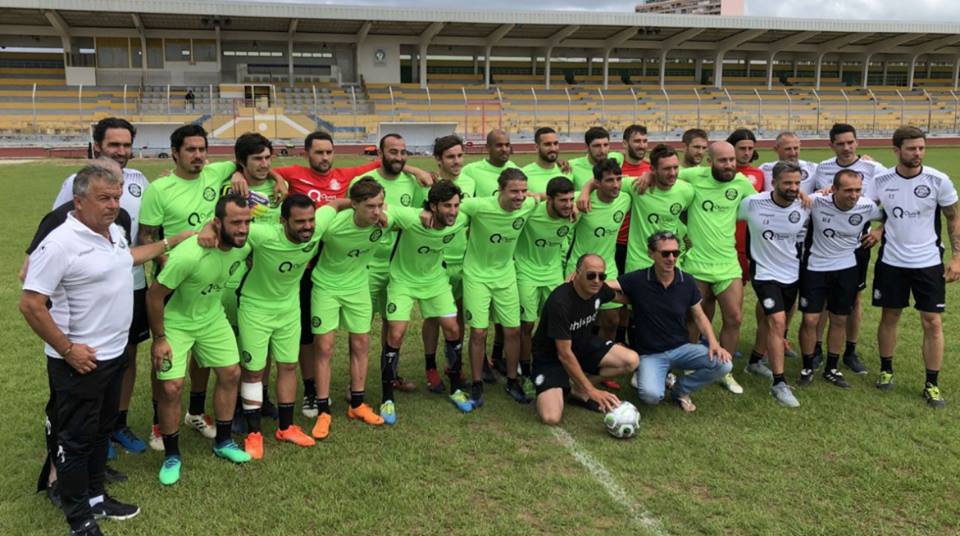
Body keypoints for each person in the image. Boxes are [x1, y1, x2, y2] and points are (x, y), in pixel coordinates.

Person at [20, 163, 191, 534]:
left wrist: (170, 243)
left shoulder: (113, 232)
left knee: (101, 431)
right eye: (104, 198)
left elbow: (126, 259)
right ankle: (78, 515)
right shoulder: (61, 243)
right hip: (79, 362)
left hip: (114, 355)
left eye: (116, 197)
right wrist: (68, 349)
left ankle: (97, 496)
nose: (114, 205)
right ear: (79, 201)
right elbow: (31, 304)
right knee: (76, 440)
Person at [197, 194, 333, 458]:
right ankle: (254, 433)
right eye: (300, 222)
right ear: (283, 221)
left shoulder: (317, 228)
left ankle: (286, 427)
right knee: (253, 372)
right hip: (255, 309)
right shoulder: (264, 234)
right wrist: (207, 229)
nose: (307, 226)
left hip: (289, 309)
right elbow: (227, 226)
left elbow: (337, 205)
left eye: (310, 220)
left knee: (288, 366)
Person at [49, 118, 151, 455]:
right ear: (97, 146)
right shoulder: (76, 183)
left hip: (132, 281)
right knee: (91, 357)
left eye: (126, 145)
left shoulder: (139, 180)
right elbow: (53, 227)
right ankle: (90, 431)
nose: (121, 151)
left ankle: (116, 423)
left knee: (127, 355)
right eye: (113, 145)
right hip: (90, 287)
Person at [138, 124, 238, 447]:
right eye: (191, 150)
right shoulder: (160, 189)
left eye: (202, 149)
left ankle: (195, 412)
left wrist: (244, 174)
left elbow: (244, 162)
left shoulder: (216, 173)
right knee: (165, 355)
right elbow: (146, 236)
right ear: (175, 153)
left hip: (207, 279)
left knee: (203, 349)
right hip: (173, 283)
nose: (198, 155)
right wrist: (171, 267)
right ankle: (158, 424)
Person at [146, 193, 254, 486]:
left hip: (212, 318)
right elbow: (154, 296)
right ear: (218, 223)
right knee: (171, 387)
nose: (243, 229)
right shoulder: (189, 255)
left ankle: (223, 441)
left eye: (247, 222)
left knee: (231, 373)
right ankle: (172, 456)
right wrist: (160, 339)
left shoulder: (244, 245)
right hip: (177, 323)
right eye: (236, 223)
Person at [272, 130, 382, 418]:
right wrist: (277, 179)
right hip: (306, 267)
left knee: (347, 338)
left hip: (336, 261)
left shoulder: (344, 176)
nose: (324, 157)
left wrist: (417, 170)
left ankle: (352, 395)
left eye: (329, 152)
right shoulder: (293, 173)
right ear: (306, 153)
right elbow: (263, 168)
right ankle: (312, 392)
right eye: (319, 152)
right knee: (310, 337)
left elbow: (381, 164)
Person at [871, 126, 960, 408]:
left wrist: (957, 257)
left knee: (932, 322)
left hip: (928, 262)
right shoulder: (881, 180)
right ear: (896, 150)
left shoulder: (938, 180)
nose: (917, 153)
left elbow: (953, 218)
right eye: (911, 148)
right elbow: (861, 204)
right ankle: (886, 370)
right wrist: (879, 229)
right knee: (890, 315)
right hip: (892, 261)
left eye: (921, 148)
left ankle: (932, 384)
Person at [381, 180, 473, 423]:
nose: (453, 211)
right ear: (433, 206)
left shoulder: (461, 218)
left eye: (456, 205)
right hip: (402, 280)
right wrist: (419, 211)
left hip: (435, 281)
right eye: (447, 206)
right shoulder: (411, 218)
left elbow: (488, 207)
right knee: (396, 333)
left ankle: (456, 388)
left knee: (452, 327)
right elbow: (383, 208)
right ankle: (387, 398)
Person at [309, 177, 390, 440]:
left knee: (361, 343)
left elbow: (416, 215)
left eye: (379, 205)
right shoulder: (331, 224)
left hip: (358, 288)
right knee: (324, 347)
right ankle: (323, 410)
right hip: (326, 287)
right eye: (370, 206)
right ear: (354, 204)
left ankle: (357, 404)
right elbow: (306, 228)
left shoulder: (384, 220)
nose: (376, 212)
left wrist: (424, 214)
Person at [617, 231, 732, 412]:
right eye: (665, 253)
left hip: (681, 348)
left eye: (675, 253)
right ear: (651, 254)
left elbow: (700, 316)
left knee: (724, 364)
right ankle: (652, 374)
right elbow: (607, 285)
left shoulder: (687, 281)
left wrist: (713, 342)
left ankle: (680, 390)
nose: (671, 258)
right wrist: (581, 279)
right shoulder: (638, 279)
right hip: (651, 354)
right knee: (651, 396)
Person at [679, 141, 758, 395]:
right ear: (709, 161)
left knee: (734, 318)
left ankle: (725, 370)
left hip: (727, 263)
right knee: (694, 318)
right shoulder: (693, 176)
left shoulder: (741, 183)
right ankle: (689, 367)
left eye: (732, 160)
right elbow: (665, 176)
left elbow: (763, 204)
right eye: (723, 160)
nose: (729, 165)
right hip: (697, 263)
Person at [810, 123, 887, 373]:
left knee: (853, 298)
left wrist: (879, 231)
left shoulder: (874, 169)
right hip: (825, 242)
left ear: (857, 142)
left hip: (858, 241)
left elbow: (892, 204)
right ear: (831, 145)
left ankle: (850, 351)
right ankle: (817, 349)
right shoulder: (822, 168)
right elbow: (812, 197)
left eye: (850, 142)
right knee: (823, 299)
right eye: (840, 143)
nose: (846, 148)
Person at [461, 168, 540, 407]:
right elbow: (451, 207)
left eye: (524, 191)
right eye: (514, 191)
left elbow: (545, 197)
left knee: (513, 330)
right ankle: (477, 383)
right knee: (478, 332)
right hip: (476, 275)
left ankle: (512, 381)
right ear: (500, 190)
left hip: (506, 276)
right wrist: (426, 210)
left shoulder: (528, 204)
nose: (520, 196)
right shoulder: (478, 206)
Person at [532, 254, 640, 425]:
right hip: (551, 358)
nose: (597, 281)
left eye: (601, 276)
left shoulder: (599, 289)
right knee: (551, 417)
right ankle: (577, 387)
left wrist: (648, 300)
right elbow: (564, 354)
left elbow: (620, 297)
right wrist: (592, 391)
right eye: (591, 275)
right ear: (577, 274)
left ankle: (577, 389)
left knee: (631, 360)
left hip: (583, 345)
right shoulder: (560, 302)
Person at [798, 170, 882, 387]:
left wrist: (879, 231)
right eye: (848, 190)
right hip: (815, 267)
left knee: (839, 319)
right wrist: (801, 192)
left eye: (857, 190)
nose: (854, 195)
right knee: (810, 320)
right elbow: (792, 200)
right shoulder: (818, 201)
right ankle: (807, 367)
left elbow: (893, 216)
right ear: (834, 189)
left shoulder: (866, 206)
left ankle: (832, 368)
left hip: (847, 269)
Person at [739, 162, 811, 407]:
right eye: (787, 183)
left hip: (792, 273)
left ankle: (754, 361)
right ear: (774, 182)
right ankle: (779, 384)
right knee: (778, 322)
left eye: (797, 183)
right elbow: (723, 215)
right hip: (764, 272)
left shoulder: (805, 205)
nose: (793, 188)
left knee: (768, 320)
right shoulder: (753, 203)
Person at [359, 133, 427, 393]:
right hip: (366, 266)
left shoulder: (413, 183)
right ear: (380, 154)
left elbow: (420, 217)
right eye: (393, 152)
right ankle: (357, 384)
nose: (399, 157)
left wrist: (415, 170)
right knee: (361, 328)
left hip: (398, 265)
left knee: (393, 324)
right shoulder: (365, 182)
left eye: (403, 152)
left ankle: (391, 375)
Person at [421, 135, 476, 393]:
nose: (457, 161)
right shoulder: (427, 184)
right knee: (433, 316)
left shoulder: (471, 182)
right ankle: (430, 366)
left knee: (459, 314)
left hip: (463, 259)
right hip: (436, 262)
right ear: (438, 159)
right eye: (450, 156)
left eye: (460, 155)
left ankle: (454, 363)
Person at [515, 177, 578, 395]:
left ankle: (553, 365)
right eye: (563, 201)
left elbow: (592, 190)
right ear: (549, 200)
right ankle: (525, 371)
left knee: (558, 324)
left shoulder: (573, 212)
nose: (568, 205)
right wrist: (534, 195)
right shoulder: (532, 210)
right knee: (526, 325)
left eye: (571, 200)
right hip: (526, 272)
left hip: (553, 274)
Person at [566, 158, 631, 341]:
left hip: (608, 267)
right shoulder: (581, 202)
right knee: (577, 322)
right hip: (579, 268)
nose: (616, 185)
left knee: (611, 320)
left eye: (618, 179)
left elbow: (647, 178)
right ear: (597, 183)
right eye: (609, 180)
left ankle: (601, 354)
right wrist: (585, 191)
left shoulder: (626, 199)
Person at [461, 128, 519, 197]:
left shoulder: (515, 169)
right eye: (499, 145)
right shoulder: (470, 171)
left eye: (507, 145)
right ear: (488, 148)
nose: (504, 149)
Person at [569, 126, 625, 190]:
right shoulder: (571, 166)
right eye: (597, 146)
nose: (602, 150)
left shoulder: (616, 158)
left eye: (606, 145)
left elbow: (625, 153)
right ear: (587, 146)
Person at [520, 127, 572, 194]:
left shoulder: (568, 169)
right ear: (536, 147)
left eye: (555, 143)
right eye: (547, 144)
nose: (553, 148)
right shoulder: (524, 174)